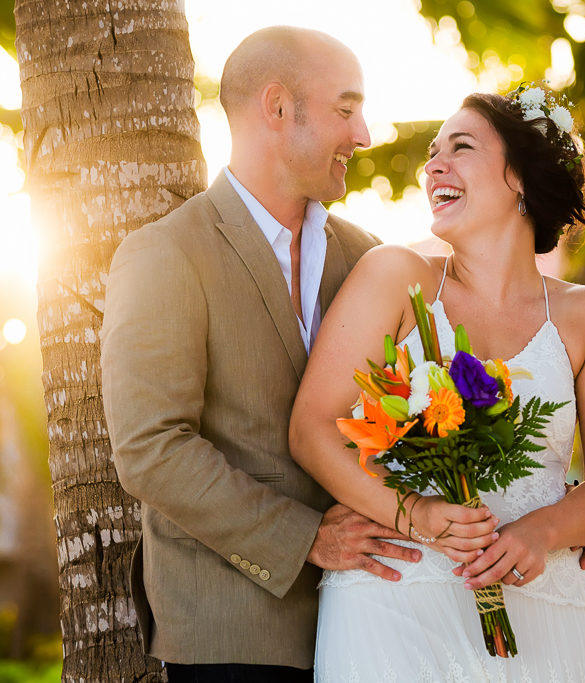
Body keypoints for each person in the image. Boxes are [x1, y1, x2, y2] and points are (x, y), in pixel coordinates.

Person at [100, 26, 498, 682]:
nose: (364, 134)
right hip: (232, 634)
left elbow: (450, 401)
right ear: (277, 108)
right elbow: (150, 447)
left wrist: (545, 513)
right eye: (347, 109)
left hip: (378, 624)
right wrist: (305, 538)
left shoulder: (370, 259)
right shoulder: (165, 253)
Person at [290, 88, 585, 681]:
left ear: (522, 178)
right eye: (432, 152)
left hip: (541, 610)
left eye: (462, 146)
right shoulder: (396, 277)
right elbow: (313, 429)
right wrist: (418, 515)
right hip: (394, 599)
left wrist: (547, 528)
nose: (433, 166)